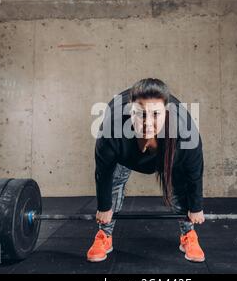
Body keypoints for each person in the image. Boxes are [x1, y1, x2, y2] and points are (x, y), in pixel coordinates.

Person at [87, 78, 205, 263]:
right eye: (140, 114)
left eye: (156, 114)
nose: (147, 123)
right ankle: (104, 236)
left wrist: (196, 207)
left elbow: (194, 173)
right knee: (114, 185)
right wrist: (104, 206)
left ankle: (188, 234)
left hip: (167, 154)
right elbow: (104, 172)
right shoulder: (111, 130)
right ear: (129, 111)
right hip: (126, 155)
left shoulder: (184, 133)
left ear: (166, 113)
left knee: (180, 189)